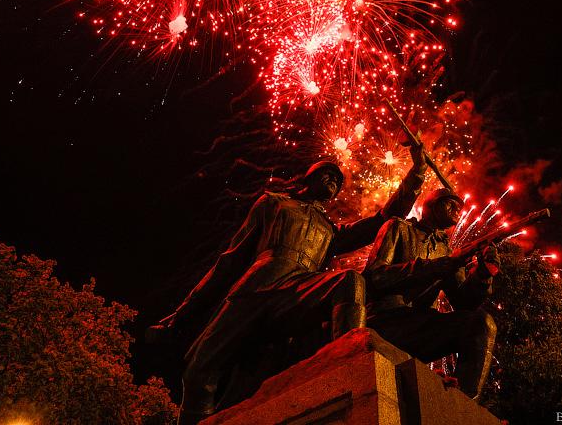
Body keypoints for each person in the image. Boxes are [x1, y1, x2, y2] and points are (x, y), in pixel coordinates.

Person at [148, 152, 426, 425]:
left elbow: (381, 219)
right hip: (255, 290)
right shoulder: (273, 203)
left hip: (297, 290)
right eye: (328, 175)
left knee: (349, 280)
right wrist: (179, 316)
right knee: (198, 373)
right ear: (310, 177)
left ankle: (349, 363)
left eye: (338, 180)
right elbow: (229, 263)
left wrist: (417, 173)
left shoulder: (329, 231)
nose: (334, 181)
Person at [363, 187, 499, 402]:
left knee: (481, 323)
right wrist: (432, 267)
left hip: (421, 325)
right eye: (449, 203)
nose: (456, 209)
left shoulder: (446, 251)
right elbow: (374, 277)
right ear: (431, 206)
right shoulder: (398, 227)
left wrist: (482, 275)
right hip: (385, 322)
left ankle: (463, 404)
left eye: (459, 206)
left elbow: (465, 303)